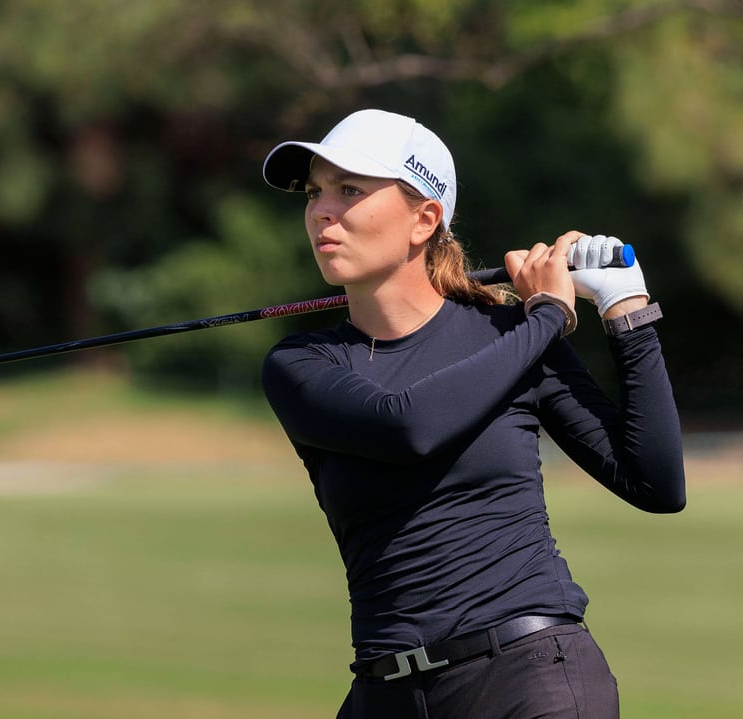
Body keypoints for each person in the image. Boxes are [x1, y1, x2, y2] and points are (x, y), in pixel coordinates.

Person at [259, 109, 685, 718]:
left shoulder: (508, 336)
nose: (322, 211)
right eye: (315, 192)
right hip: (384, 692)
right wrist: (546, 316)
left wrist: (627, 313)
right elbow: (409, 425)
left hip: (529, 678)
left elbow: (656, 484)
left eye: (349, 190)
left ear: (424, 219)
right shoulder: (302, 364)